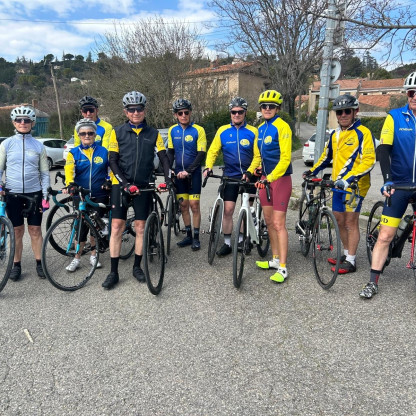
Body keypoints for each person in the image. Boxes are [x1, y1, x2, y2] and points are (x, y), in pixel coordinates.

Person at [102, 91, 171, 290]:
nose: (135, 112)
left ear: (144, 110)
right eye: (131, 109)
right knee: (117, 226)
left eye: (139, 109)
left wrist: (168, 180)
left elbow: (164, 157)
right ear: (125, 112)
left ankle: (137, 267)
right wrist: (124, 183)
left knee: (141, 227)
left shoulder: (154, 133)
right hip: (121, 185)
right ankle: (113, 272)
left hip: (144, 185)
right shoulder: (117, 132)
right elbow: (112, 161)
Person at [303, 94, 375, 276]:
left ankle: (351, 260)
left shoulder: (363, 133)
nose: (343, 115)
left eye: (347, 111)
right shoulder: (335, 134)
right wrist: (312, 171)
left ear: (355, 111)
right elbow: (326, 157)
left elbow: (368, 161)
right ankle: (346, 254)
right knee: (339, 220)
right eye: (339, 112)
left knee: (350, 221)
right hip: (337, 184)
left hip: (355, 185)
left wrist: (349, 179)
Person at [360, 72, 416, 299]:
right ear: (407, 94)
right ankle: (372, 282)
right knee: (385, 236)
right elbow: (383, 149)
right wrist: (387, 179)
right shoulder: (394, 117)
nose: (415, 97)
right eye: (411, 93)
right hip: (399, 185)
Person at [204, 97, 261, 256]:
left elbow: (257, 156)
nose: (236, 114)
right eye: (234, 112)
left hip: (249, 176)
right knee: (228, 210)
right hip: (230, 176)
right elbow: (213, 151)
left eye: (240, 112)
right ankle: (227, 243)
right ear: (230, 113)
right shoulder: (222, 131)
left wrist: (249, 172)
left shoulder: (253, 131)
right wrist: (208, 166)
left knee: (246, 209)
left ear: (245, 113)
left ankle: (242, 240)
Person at [0, 106, 50, 280]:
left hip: (34, 193)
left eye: (26, 120)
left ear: (32, 123)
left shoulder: (38, 146)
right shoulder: (6, 144)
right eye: (19, 120)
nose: (23, 123)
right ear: (14, 123)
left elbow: (45, 173)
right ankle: (16, 265)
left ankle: (40, 263)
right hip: (12, 193)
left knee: (35, 230)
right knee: (17, 230)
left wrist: (45, 194)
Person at [254, 90, 293, 283]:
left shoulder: (282, 127)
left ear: (277, 108)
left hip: (280, 180)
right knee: (269, 221)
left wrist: (270, 177)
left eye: (271, 106)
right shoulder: (260, 129)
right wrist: (252, 171)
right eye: (264, 106)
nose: (267, 109)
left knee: (278, 224)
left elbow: (285, 159)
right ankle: (275, 259)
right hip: (265, 180)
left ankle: (283, 268)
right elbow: (257, 157)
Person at [63, 118, 110, 271]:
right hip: (81, 196)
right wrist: (70, 183)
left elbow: (111, 170)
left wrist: (109, 180)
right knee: (81, 228)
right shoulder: (73, 153)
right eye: (83, 133)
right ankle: (77, 258)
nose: (87, 136)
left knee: (95, 227)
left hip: (99, 193)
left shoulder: (104, 151)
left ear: (95, 134)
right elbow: (69, 170)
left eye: (90, 133)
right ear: (79, 135)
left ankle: (94, 255)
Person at [167, 99, 206, 251]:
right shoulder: (172, 130)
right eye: (180, 113)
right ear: (175, 115)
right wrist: (169, 169)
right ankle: (188, 235)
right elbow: (171, 152)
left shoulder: (198, 130)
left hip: (193, 173)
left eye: (186, 112)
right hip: (178, 173)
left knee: (194, 205)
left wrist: (188, 171)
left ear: (190, 113)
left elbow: (201, 153)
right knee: (183, 205)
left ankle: (196, 238)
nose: (183, 115)